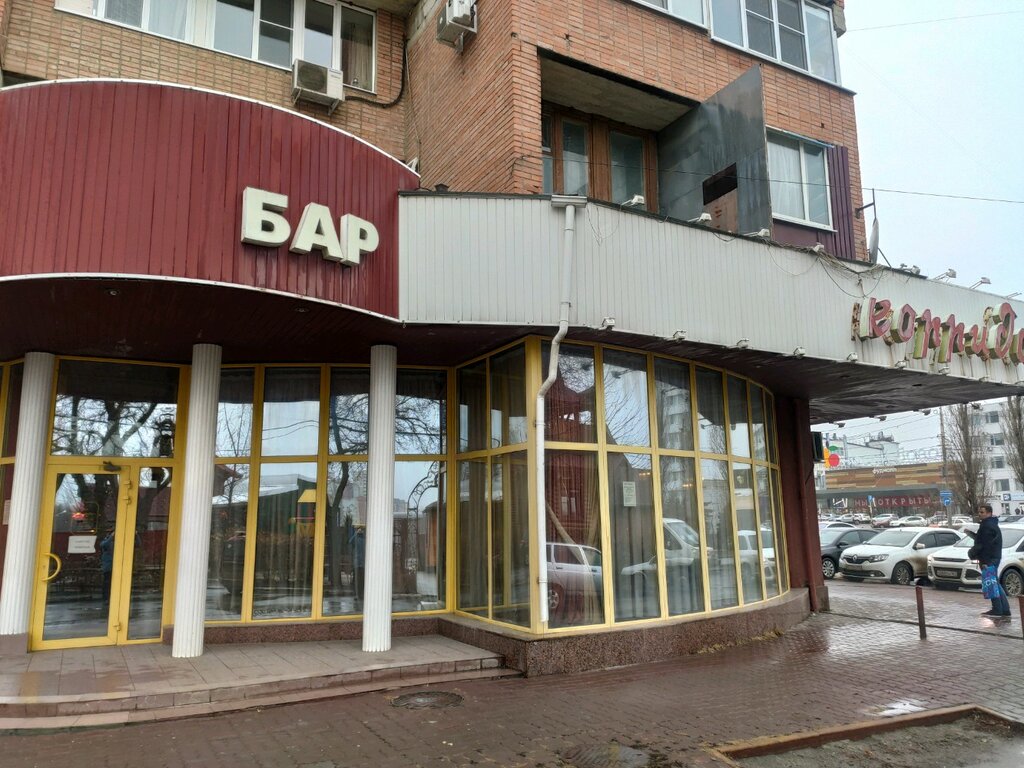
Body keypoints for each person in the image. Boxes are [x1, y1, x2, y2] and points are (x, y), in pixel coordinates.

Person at [968, 504, 1011, 618]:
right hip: (994, 557)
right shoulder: (991, 524)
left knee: (991, 583)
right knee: (994, 582)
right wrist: (973, 535)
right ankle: (1005, 609)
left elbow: (984, 545)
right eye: (979, 512)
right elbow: (985, 541)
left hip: (988, 559)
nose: (979, 514)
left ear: (989, 513)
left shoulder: (986, 526)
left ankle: (997, 609)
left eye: (982, 512)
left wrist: (975, 555)